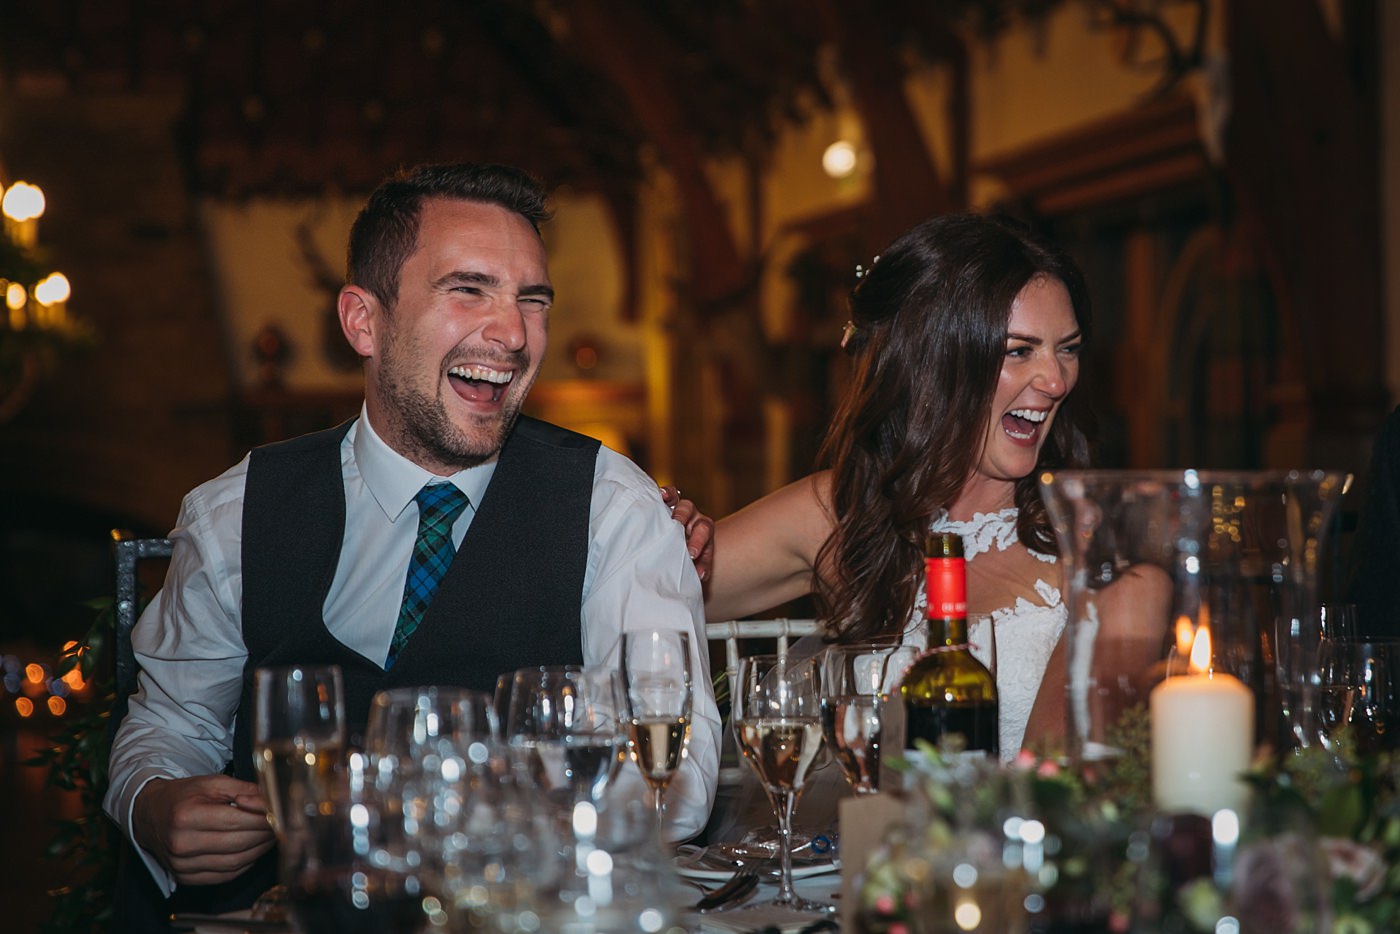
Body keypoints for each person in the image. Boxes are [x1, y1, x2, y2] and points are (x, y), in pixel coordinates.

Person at [104, 162, 720, 920]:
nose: (513, 333)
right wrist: (153, 804)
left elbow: (676, 773)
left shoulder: (612, 507)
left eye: (532, 300)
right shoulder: (238, 510)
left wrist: (460, 835)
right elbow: (171, 724)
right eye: (469, 289)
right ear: (364, 321)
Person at [698, 211, 1096, 758]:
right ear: (932, 361)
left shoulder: (1088, 533)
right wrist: (662, 526)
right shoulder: (842, 513)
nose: (1055, 381)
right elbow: (641, 592)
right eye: (1019, 350)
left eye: (1068, 348)